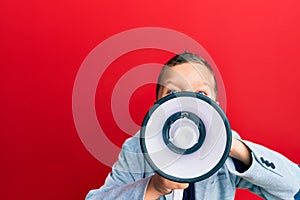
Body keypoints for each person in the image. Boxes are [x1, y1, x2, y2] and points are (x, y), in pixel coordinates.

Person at [86, 52, 300, 199]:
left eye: (200, 94)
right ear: (157, 107)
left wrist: (238, 149)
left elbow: (293, 186)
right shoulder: (137, 148)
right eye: (173, 93)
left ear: (215, 107)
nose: (188, 102)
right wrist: (153, 188)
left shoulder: (226, 151)